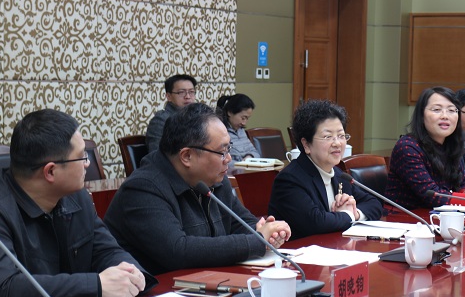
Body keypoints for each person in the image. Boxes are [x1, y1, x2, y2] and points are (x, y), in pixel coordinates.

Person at [0, 109, 156, 297]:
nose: (88, 164)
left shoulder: (76, 197)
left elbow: (105, 249)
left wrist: (130, 273)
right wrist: (95, 287)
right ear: (50, 171)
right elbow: (4, 290)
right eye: (81, 157)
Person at [104, 103, 291, 275]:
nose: (228, 159)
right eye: (222, 151)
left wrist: (266, 231)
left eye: (229, 149)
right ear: (186, 156)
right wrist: (257, 240)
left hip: (204, 284)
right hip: (156, 294)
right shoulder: (142, 189)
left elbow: (240, 222)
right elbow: (178, 251)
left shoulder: (214, 179)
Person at [268, 99, 382, 240]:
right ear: (306, 144)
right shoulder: (290, 179)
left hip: (334, 248)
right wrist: (347, 215)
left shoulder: (339, 176)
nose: (337, 143)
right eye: (328, 137)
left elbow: (374, 204)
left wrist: (355, 213)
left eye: (341, 136)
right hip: (298, 252)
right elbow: (316, 222)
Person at [146, 74, 197, 152]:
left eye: (191, 92)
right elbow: (157, 154)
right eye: (181, 92)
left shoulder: (198, 118)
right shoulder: (161, 121)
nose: (187, 96)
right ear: (168, 96)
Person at [216, 93, 260, 166]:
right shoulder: (220, 131)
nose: (244, 123)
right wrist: (241, 165)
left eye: (247, 118)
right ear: (230, 112)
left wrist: (250, 157)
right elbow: (220, 160)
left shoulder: (241, 131)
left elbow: (255, 152)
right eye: (243, 118)